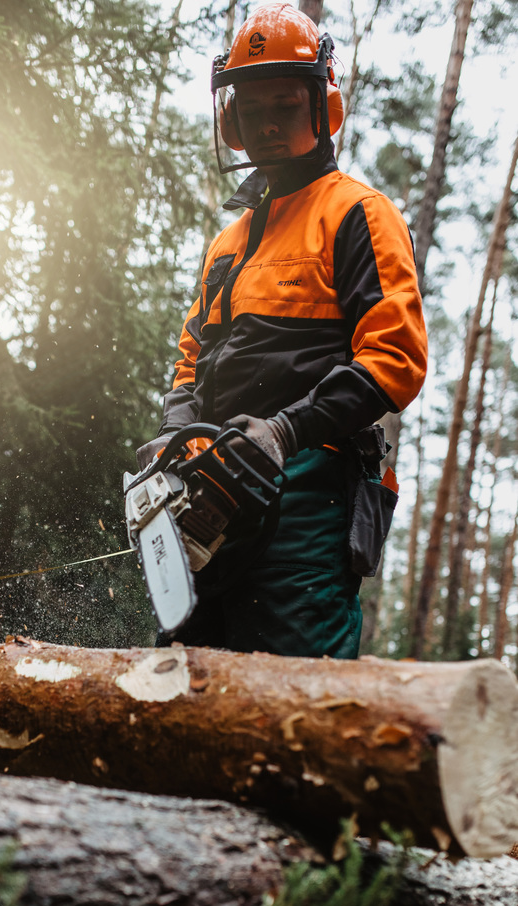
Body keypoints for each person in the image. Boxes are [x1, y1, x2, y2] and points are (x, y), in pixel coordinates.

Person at [136, 1, 427, 658]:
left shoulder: (358, 214)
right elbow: (192, 356)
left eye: (284, 105)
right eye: (250, 107)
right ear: (230, 119)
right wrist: (176, 435)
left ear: (321, 106)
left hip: (309, 495)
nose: (266, 123)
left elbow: (395, 358)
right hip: (213, 491)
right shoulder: (228, 244)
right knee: (184, 670)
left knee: (296, 683)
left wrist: (283, 431)